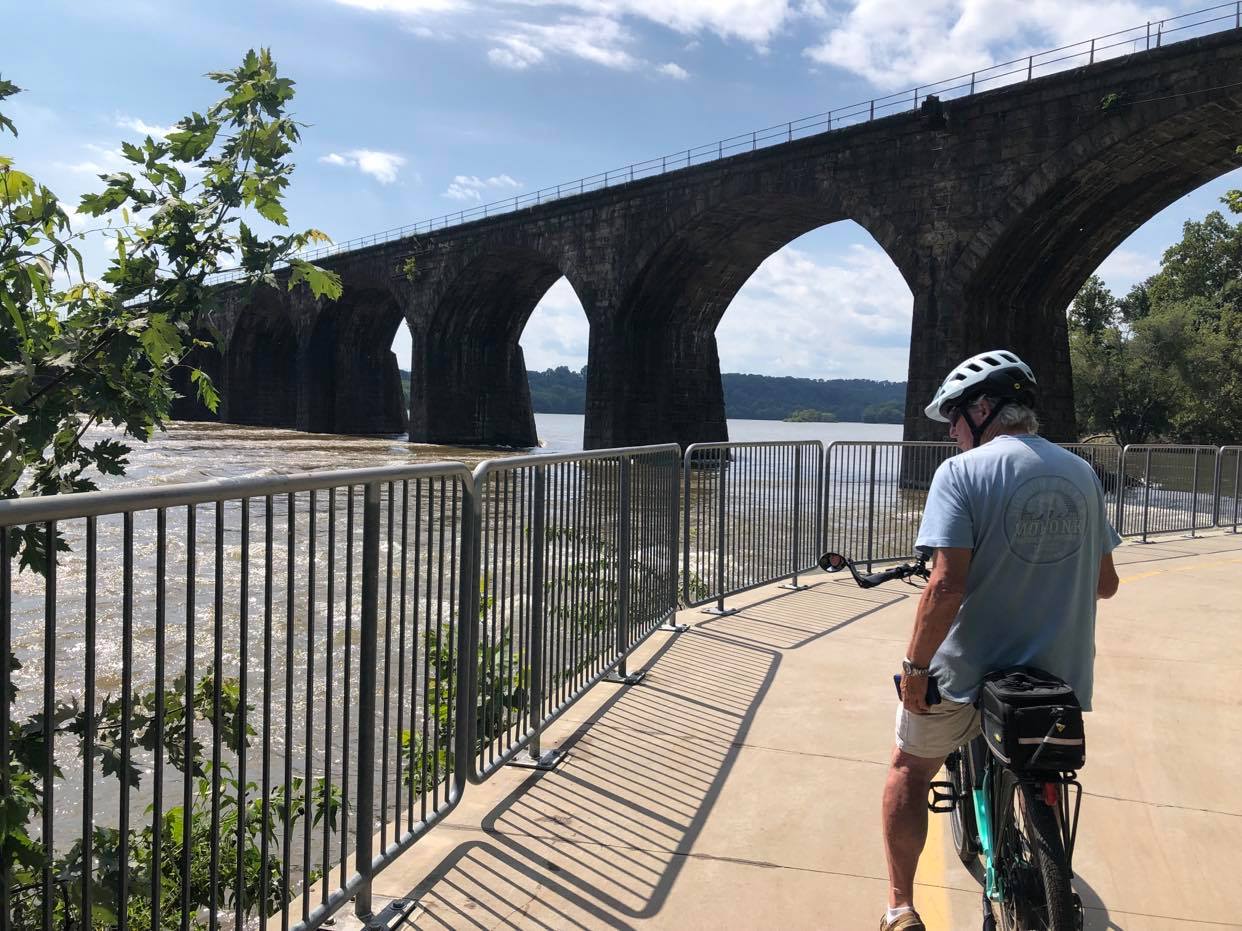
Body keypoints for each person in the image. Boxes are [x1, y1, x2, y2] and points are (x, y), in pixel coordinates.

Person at [879, 349, 1121, 931]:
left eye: (957, 419)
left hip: (967, 675)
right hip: (1055, 670)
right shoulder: (1080, 472)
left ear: (983, 409)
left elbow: (945, 586)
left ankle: (900, 908)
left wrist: (915, 667)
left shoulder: (961, 474)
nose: (955, 434)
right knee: (1044, 764)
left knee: (908, 770)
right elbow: (1106, 584)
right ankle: (1046, 856)